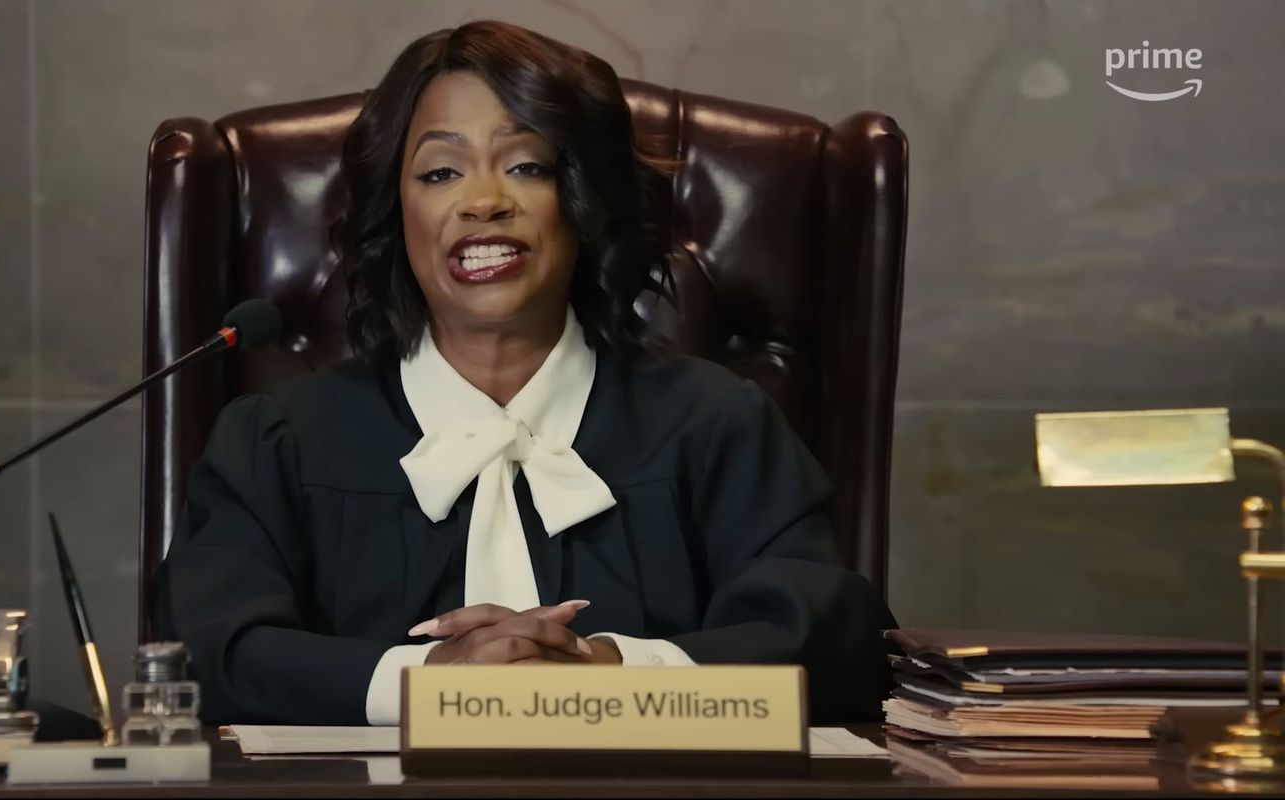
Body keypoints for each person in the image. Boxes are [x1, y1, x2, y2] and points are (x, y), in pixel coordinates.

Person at [156, 19, 896, 727]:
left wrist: (609, 675)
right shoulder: (277, 442)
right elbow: (203, 655)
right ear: (396, 211)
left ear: (580, 203)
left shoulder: (715, 427)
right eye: (441, 171)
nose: (484, 202)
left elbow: (836, 644)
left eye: (528, 166)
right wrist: (430, 684)